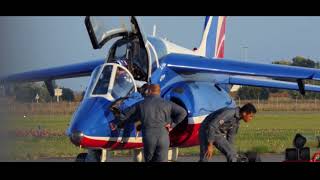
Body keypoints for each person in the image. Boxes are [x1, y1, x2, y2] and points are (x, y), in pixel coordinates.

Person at [110, 84, 187, 162]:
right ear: (159, 92)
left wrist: (115, 124)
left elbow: (124, 115)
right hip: (163, 136)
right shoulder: (167, 103)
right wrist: (172, 124)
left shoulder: (141, 104)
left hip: (149, 136)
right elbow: (183, 112)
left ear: (149, 91)